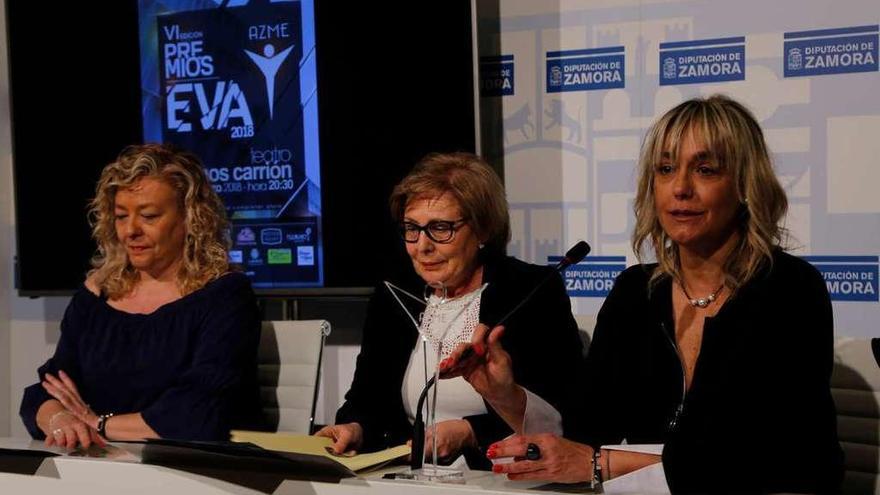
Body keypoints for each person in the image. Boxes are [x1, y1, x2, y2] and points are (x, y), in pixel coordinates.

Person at [442, 95, 844, 493]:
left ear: (744, 185)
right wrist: (506, 395)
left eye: (705, 170)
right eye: (666, 169)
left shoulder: (789, 290)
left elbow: (769, 456)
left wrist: (604, 464)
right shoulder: (636, 292)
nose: (680, 188)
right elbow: (584, 431)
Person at [316, 152, 583, 469]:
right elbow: (366, 398)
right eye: (411, 228)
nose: (422, 246)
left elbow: (566, 412)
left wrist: (471, 432)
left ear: (483, 229)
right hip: (405, 476)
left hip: (501, 475)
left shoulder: (530, 291)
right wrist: (353, 428)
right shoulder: (393, 295)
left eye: (440, 228)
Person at [20, 144, 262, 449]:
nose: (130, 230)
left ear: (191, 218)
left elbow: (198, 413)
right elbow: (47, 391)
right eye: (121, 216)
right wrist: (60, 420)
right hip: (106, 463)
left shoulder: (226, 296)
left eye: (148, 216)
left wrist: (99, 424)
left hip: (201, 469)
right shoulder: (96, 295)